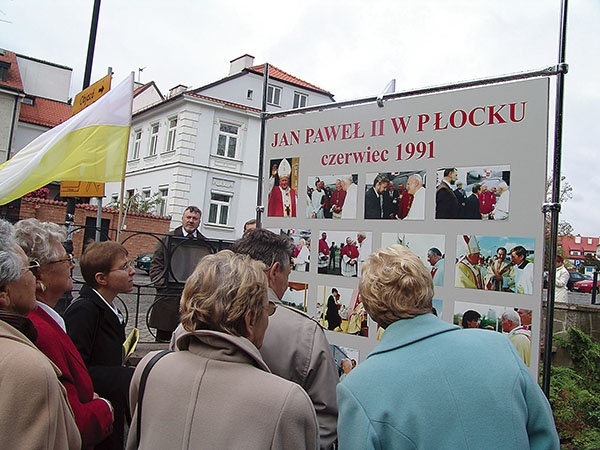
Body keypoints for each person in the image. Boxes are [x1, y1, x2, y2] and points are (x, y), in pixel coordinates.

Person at [337, 245, 560, 450]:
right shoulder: (499, 347)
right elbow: (545, 439)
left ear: (370, 306)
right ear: (427, 288)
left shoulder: (359, 388)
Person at [128, 251, 318, 449]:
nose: (268, 318)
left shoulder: (150, 368)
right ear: (250, 319)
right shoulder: (287, 402)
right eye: (267, 310)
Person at [203, 229, 338, 449]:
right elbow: (325, 420)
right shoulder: (305, 332)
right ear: (275, 271)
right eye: (288, 273)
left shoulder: (199, 316)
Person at [14, 219, 113, 448]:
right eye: (65, 259)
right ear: (39, 275)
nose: (71, 265)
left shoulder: (47, 320)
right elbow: (70, 421)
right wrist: (104, 407)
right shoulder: (39, 330)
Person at [0, 219, 81, 450]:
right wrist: (104, 407)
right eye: (28, 269)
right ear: (4, 292)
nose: (33, 279)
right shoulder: (28, 364)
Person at [65, 241, 136, 450]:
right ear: (101, 278)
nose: (132, 271)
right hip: (96, 413)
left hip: (111, 407)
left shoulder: (109, 307)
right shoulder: (85, 311)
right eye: (124, 267)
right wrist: (125, 376)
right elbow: (77, 370)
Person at [149, 206, 210, 342]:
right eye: (188, 217)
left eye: (195, 218)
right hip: (168, 299)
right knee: (163, 341)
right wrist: (162, 286)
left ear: (199, 222)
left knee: (186, 340)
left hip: (192, 301)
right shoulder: (167, 238)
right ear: (182, 219)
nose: (191, 221)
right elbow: (156, 265)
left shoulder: (204, 242)